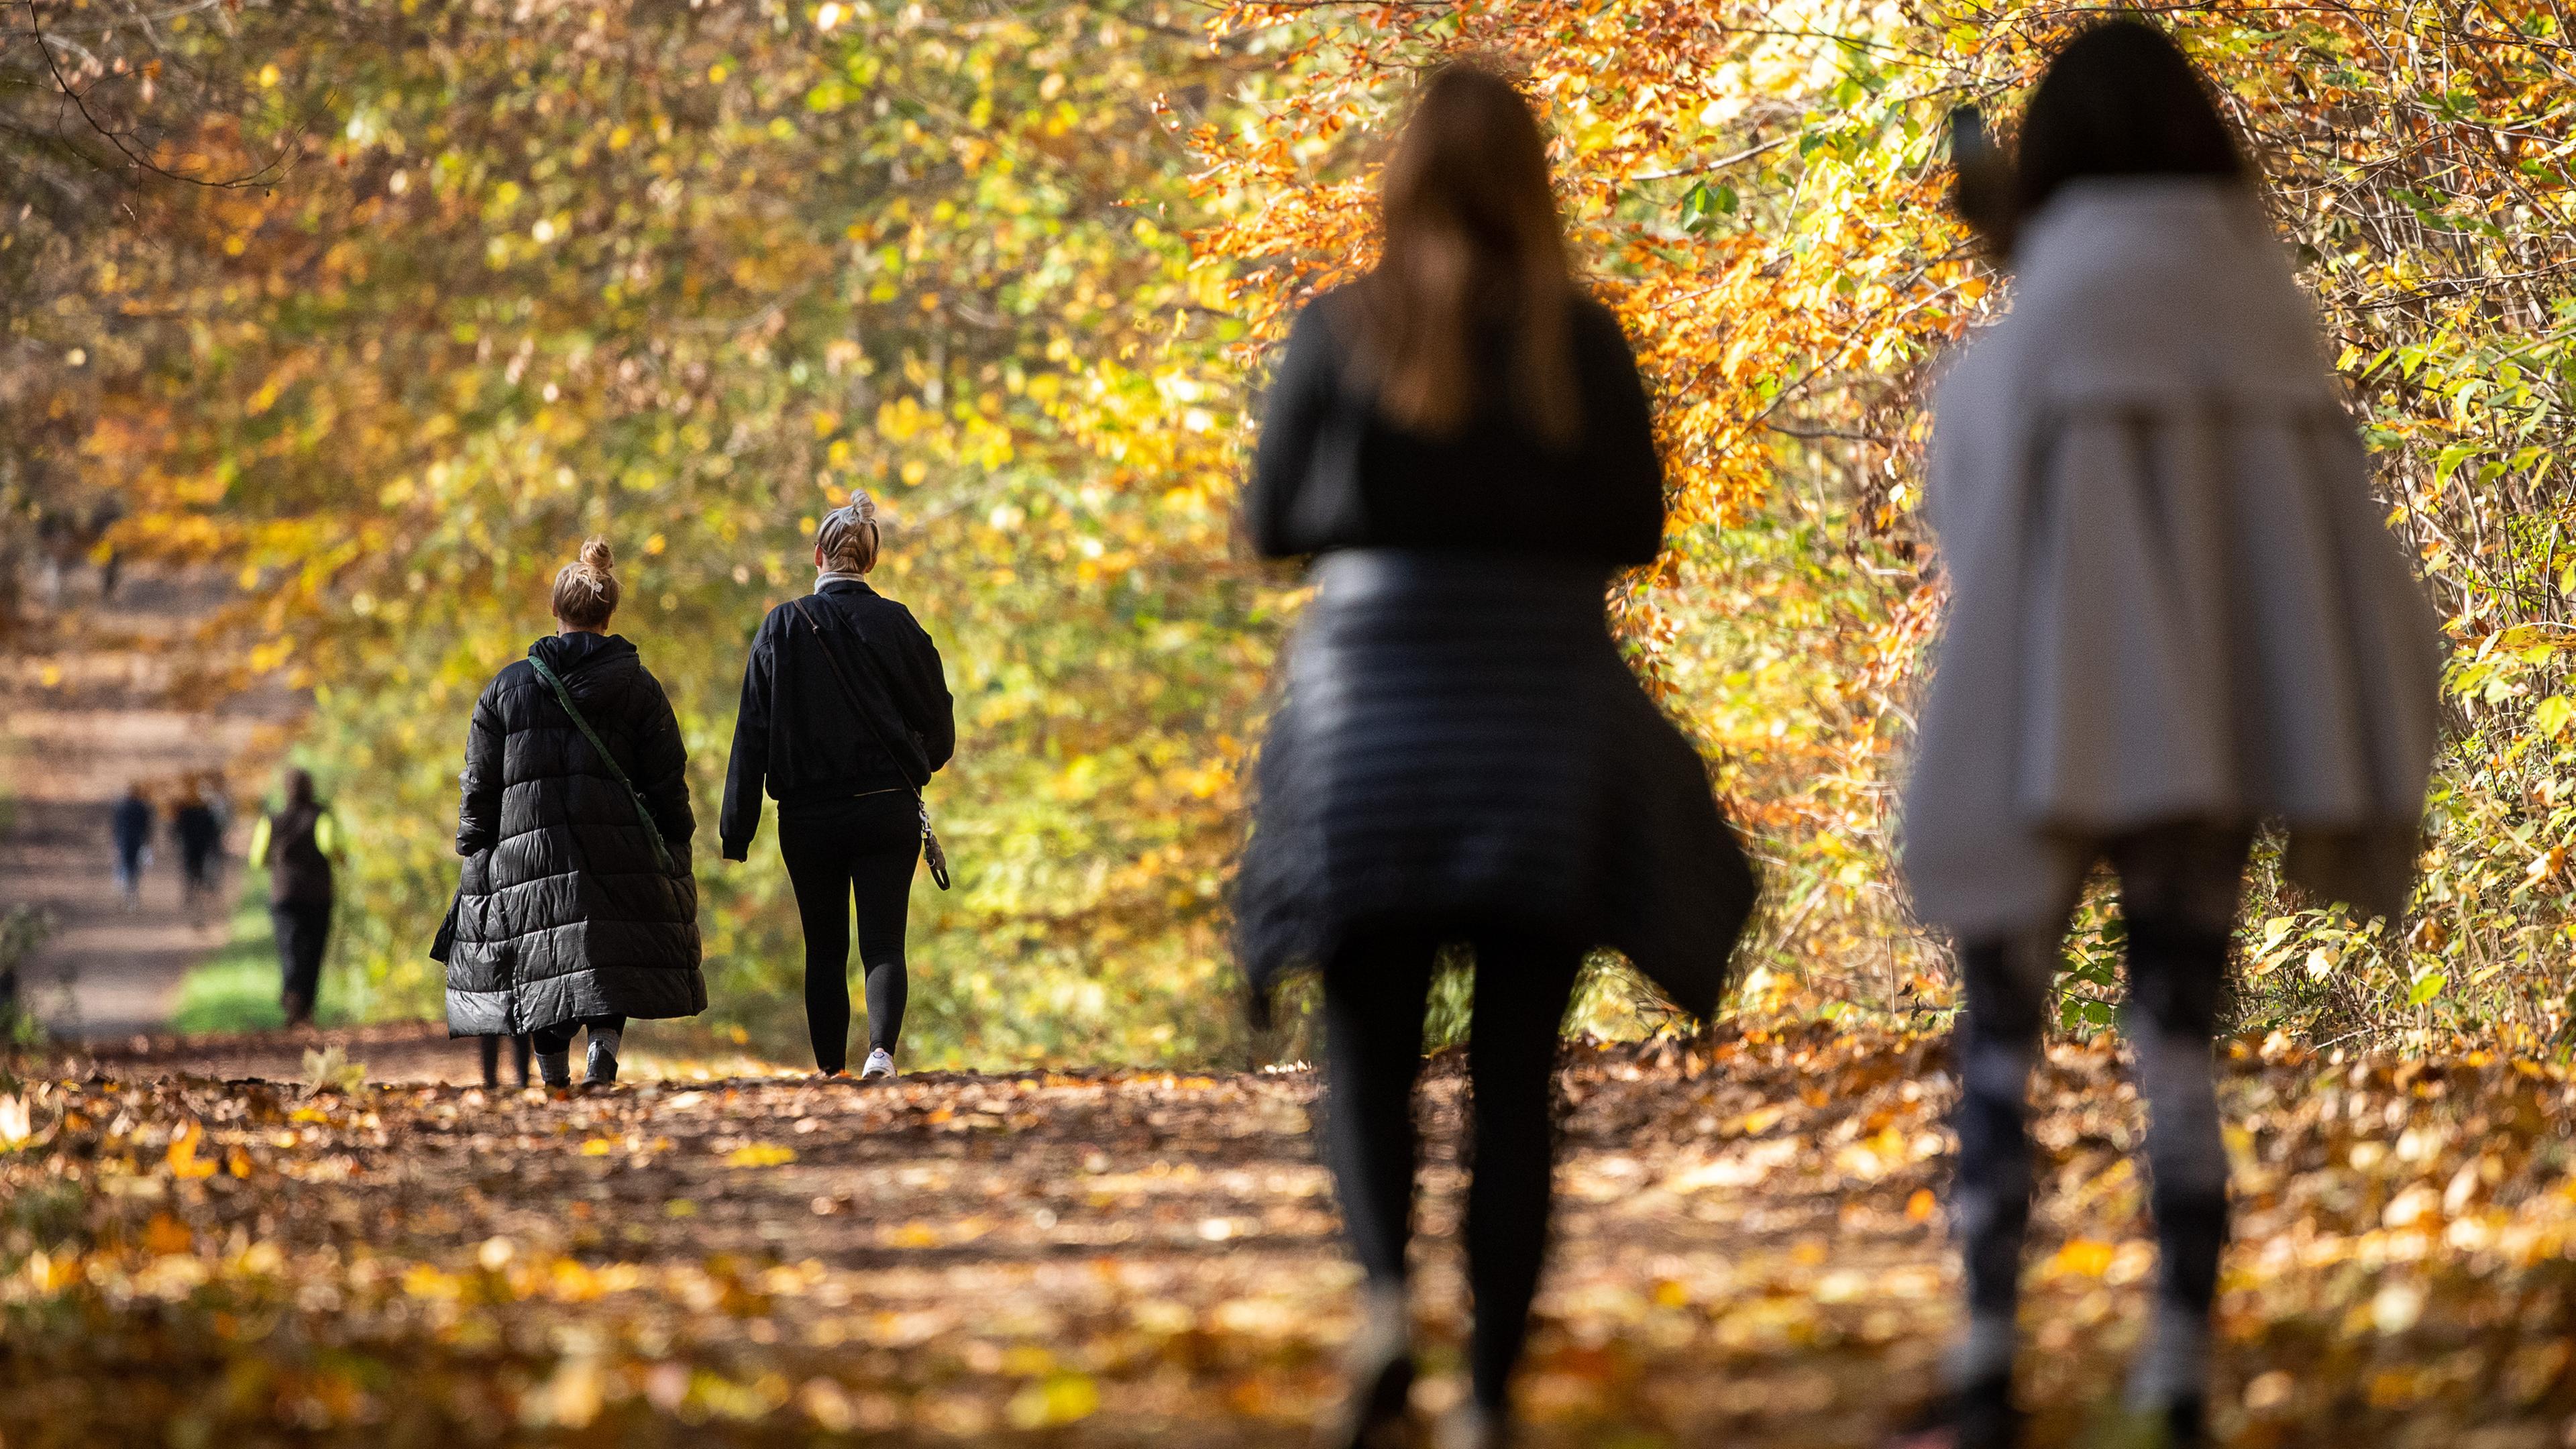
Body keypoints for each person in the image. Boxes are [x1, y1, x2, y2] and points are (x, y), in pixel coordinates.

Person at [1893, 23, 2442, 1449]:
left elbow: (1964, 494)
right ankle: (2180, 1372)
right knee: (2180, 1039)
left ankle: (1987, 1363)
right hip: (2210, 732)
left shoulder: (2048, 303)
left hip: (2042, 714)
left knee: (2002, 1040)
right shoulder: (2265, 310)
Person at [1233, 63, 1754, 1449]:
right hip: (1539, 719)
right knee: (1521, 1070)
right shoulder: (1579, 339)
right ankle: (1490, 1392)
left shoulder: (1338, 330)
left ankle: (1391, 1300)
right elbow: (1637, 526)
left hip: (1372, 719)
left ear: (1401, 181)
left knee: (1366, 1043)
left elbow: (1274, 521)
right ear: (1533, 180)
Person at [443, 537, 703, 1088]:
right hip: (619, 851)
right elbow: (665, 777)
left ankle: (555, 1081)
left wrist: (473, 840)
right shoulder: (640, 688)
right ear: (610, 614)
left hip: (527, 854)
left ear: (555, 611)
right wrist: (678, 835)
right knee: (611, 954)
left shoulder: (506, 689)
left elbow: (481, 782)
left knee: (543, 961)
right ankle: (602, 1055)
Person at [720, 494, 955, 1081]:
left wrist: (737, 826)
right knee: (883, 942)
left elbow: (752, 729)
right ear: (869, 562)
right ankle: (881, 1054)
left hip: (809, 816)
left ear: (819, 556)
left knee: (824, 948)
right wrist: (912, 767)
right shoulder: (899, 624)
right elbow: (940, 722)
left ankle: (830, 1072)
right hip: (885, 810)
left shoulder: (781, 625)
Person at [250, 769, 339, 1026]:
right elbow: (331, 847)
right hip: (319, 896)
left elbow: (257, 859)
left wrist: (276, 865)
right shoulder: (321, 816)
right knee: (314, 950)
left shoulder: (273, 819)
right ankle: (307, 1008)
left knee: (289, 947)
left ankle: (292, 996)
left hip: (284, 895)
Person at [172, 777, 225, 918]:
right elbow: (212, 830)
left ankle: (192, 892)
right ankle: (195, 891)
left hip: (191, 845)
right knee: (197, 868)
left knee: (190, 868)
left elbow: (178, 828)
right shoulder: (204, 810)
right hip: (200, 845)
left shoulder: (186, 811)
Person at [109, 782, 152, 910]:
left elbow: (116, 827)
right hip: (136, 841)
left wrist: (116, 842)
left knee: (125, 867)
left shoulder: (121, 807)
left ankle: (125, 894)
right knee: (134, 868)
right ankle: (131, 896)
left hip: (124, 841)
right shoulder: (141, 807)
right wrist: (147, 841)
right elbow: (147, 827)